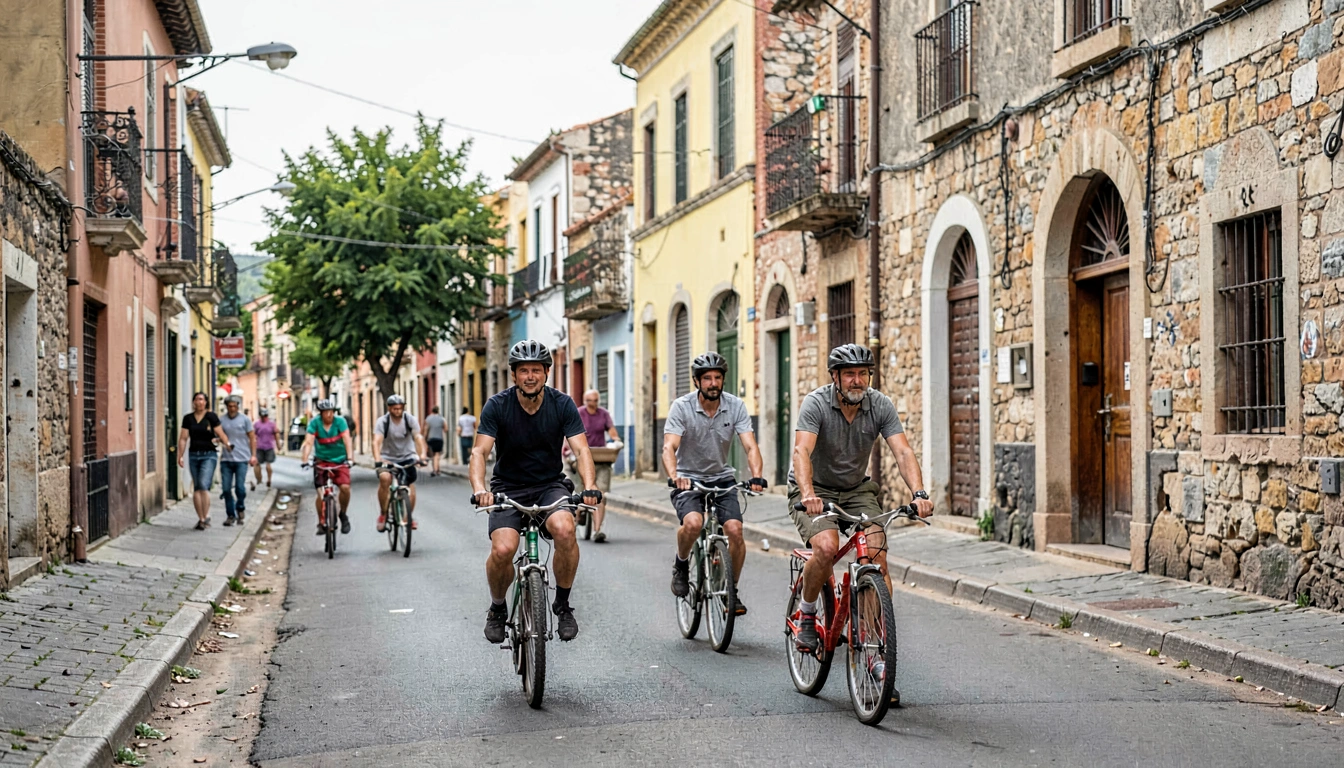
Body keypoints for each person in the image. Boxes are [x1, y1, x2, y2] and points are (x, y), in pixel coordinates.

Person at [789, 344, 934, 670]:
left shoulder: (879, 404)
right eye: (850, 374)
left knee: (877, 556)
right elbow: (801, 452)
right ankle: (809, 611)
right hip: (816, 489)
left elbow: (903, 452)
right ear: (835, 377)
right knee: (826, 548)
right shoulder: (816, 403)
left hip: (856, 489)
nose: (857, 381)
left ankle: (874, 651)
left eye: (863, 374)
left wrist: (919, 493)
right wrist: (809, 494)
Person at [469, 340, 602, 644]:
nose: (530, 376)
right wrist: (480, 489)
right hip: (508, 487)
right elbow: (479, 452)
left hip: (549, 485)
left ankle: (563, 605)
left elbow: (582, 450)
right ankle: (498, 608)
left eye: (536, 370)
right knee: (503, 549)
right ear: (514, 375)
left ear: (546, 373)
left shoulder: (562, 404)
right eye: (524, 370)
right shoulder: (497, 406)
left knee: (565, 530)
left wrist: (589, 486)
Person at [664, 352, 766, 615]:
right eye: (707, 378)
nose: (713, 383)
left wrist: (756, 475)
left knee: (735, 530)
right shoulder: (682, 407)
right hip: (688, 478)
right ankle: (682, 562)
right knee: (694, 523)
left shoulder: (735, 406)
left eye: (717, 378)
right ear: (697, 381)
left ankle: (730, 591)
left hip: (722, 477)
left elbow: (750, 445)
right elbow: (669, 446)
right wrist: (676, 475)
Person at [178, 392, 233, 530]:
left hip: (209, 455)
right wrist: (180, 455)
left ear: (206, 402)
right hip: (193, 455)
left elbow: (221, 433)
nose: (199, 402)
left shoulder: (211, 417)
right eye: (197, 399)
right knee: (197, 487)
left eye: (202, 399)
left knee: (203, 484)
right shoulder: (188, 419)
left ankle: (206, 515)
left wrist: (228, 445)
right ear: (193, 402)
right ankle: (201, 518)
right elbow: (183, 438)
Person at [300, 399, 354, 536]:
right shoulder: (315, 423)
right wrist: (305, 460)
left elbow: (347, 439)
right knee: (320, 494)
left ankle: (343, 514)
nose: (329, 415)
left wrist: (350, 458)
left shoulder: (340, 422)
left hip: (339, 460)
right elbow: (308, 441)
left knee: (345, 488)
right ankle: (321, 522)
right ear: (321, 413)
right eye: (325, 412)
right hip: (321, 461)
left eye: (331, 412)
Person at [374, 395, 427, 532]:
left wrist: (422, 455)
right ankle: (383, 513)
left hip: (408, 456)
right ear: (389, 408)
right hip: (387, 458)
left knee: (410, 485)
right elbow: (377, 442)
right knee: (385, 479)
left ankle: (407, 518)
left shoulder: (410, 420)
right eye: (395, 408)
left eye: (400, 408)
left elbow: (418, 437)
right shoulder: (383, 422)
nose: (397, 411)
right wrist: (377, 460)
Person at [575, 389, 620, 543]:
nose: (592, 404)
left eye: (595, 401)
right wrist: (567, 451)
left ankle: (597, 530)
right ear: (584, 401)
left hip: (600, 458)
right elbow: (569, 434)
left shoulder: (603, 414)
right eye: (589, 401)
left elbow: (611, 430)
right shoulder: (579, 413)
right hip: (581, 459)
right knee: (577, 493)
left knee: (600, 495)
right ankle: (579, 510)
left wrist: (615, 440)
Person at [217, 396, 257, 526]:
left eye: (234, 406)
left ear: (238, 406)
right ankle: (230, 515)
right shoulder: (221, 420)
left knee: (240, 487)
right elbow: (218, 435)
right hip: (226, 459)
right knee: (226, 489)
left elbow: (252, 438)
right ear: (227, 407)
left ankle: (240, 506)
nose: (232, 408)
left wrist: (253, 455)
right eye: (230, 406)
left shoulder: (245, 420)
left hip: (242, 458)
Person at [252, 408, 278, 489]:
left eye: (265, 416)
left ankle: (266, 480)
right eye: (263, 416)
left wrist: (278, 444)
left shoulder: (270, 424)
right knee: (259, 464)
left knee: (266, 465)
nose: (264, 417)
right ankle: (261, 479)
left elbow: (276, 434)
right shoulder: (258, 424)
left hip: (267, 447)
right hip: (261, 447)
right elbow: (253, 436)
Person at [424, 406, 448, 477]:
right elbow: (446, 429)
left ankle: (435, 469)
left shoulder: (428, 418)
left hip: (431, 439)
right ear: (438, 411)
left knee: (433, 455)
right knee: (437, 455)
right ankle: (436, 470)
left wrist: (425, 439)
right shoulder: (441, 418)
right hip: (439, 439)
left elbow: (426, 429)